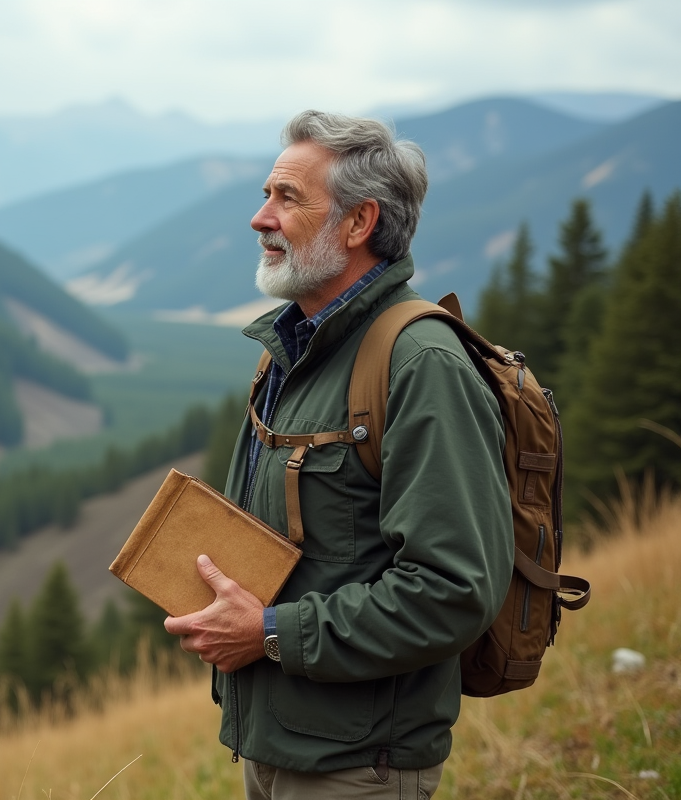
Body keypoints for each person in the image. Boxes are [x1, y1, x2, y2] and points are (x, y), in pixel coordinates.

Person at [162, 111, 514, 799]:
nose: (260, 218)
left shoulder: (420, 364)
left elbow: (453, 591)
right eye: (266, 194)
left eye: (287, 198)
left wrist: (267, 634)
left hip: (360, 769)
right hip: (276, 746)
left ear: (358, 225)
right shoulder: (292, 351)